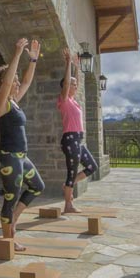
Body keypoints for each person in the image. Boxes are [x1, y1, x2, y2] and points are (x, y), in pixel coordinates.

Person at [0, 38, 45, 250]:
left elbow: (28, 82)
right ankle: (9, 242)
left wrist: (32, 60)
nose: (17, 82)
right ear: (6, 81)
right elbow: (7, 81)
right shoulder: (1, 104)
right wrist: (17, 53)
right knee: (9, 199)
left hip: (21, 157)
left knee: (37, 186)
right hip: (9, 158)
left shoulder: (14, 102)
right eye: (14, 80)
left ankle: (14, 218)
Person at [57, 48, 98, 213]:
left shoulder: (73, 101)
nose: (75, 85)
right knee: (71, 172)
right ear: (66, 88)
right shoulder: (64, 100)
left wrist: (77, 66)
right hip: (70, 140)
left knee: (91, 167)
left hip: (78, 141)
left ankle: (69, 185)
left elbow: (77, 82)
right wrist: (68, 63)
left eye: (74, 84)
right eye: (72, 84)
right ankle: (68, 205)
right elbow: (67, 83)